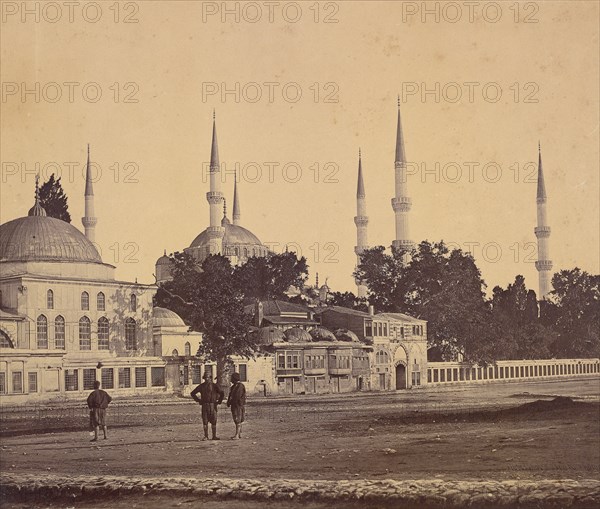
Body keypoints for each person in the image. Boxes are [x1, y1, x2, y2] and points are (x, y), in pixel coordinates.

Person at [191, 371, 224, 440]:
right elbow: (193, 393)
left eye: (208, 377)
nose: (207, 379)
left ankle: (214, 436)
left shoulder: (215, 386)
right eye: (205, 377)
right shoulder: (201, 386)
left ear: (210, 378)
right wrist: (199, 400)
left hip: (213, 405)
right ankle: (206, 436)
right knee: (205, 421)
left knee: (214, 421)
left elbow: (222, 393)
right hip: (205, 405)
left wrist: (219, 401)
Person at [226, 372, 246, 440]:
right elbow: (230, 395)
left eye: (232, 378)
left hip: (238, 405)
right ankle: (239, 434)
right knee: (236, 419)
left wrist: (231, 401)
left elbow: (237, 397)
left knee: (238, 419)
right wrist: (229, 402)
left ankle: (237, 435)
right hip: (235, 405)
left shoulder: (240, 386)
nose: (230, 379)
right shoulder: (234, 386)